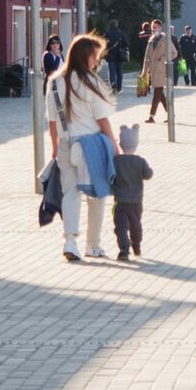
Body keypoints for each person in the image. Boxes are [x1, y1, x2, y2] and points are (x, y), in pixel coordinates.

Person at [47, 34, 120, 262]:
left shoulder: (55, 82)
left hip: (66, 144)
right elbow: (102, 120)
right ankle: (93, 244)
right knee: (97, 194)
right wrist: (116, 147)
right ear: (86, 56)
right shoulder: (92, 82)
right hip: (91, 145)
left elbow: (51, 121)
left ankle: (70, 240)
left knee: (71, 192)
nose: (96, 61)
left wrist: (54, 146)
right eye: (94, 56)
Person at [111, 124, 154, 263]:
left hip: (120, 201)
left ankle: (124, 249)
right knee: (136, 224)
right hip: (136, 201)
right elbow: (148, 175)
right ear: (136, 144)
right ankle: (137, 246)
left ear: (121, 143)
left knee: (121, 226)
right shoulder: (140, 161)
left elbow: (111, 176)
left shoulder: (116, 161)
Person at [142, 19, 174, 124]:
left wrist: (162, 59)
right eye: (152, 27)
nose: (153, 29)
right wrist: (144, 72)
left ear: (160, 28)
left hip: (161, 70)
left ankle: (151, 116)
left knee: (157, 94)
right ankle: (171, 114)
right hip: (152, 71)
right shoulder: (151, 40)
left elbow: (174, 53)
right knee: (160, 95)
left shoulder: (166, 40)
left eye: (155, 27)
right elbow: (146, 57)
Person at [103, 20, 128, 92]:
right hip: (120, 56)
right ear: (117, 25)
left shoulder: (107, 33)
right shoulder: (121, 33)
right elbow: (126, 44)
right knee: (119, 73)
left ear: (110, 25)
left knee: (112, 72)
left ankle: (114, 87)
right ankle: (119, 88)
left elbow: (103, 44)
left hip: (110, 55)